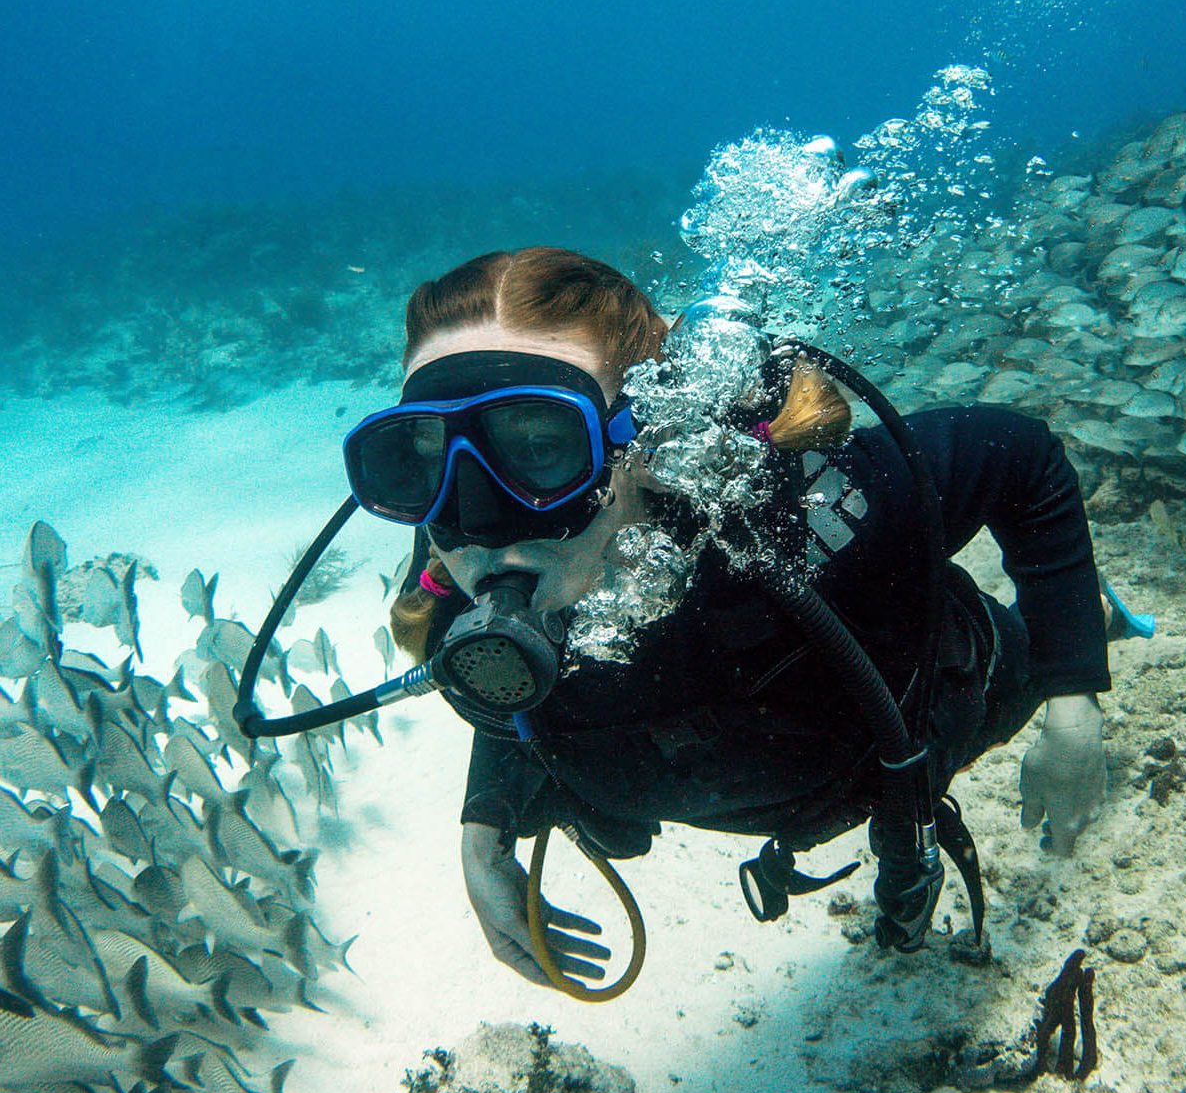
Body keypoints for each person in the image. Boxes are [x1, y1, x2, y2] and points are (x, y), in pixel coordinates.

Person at [356, 246, 1114, 988]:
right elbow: (511, 701)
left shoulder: (794, 519)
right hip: (785, 784)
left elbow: (1023, 456)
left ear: (643, 437)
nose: (478, 520)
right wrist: (483, 833)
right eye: (421, 457)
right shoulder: (463, 598)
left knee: (1012, 647)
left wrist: (1071, 696)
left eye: (542, 447)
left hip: (958, 693)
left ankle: (1101, 618)